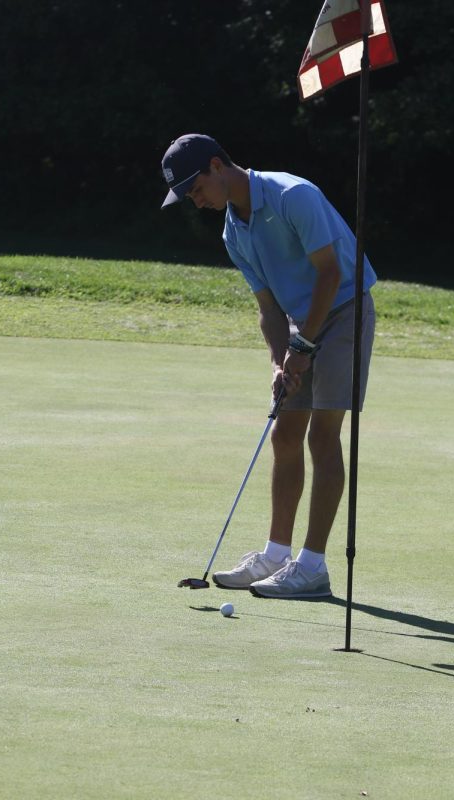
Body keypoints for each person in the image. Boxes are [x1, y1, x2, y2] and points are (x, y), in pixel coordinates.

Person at [160, 133, 376, 599]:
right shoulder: (232, 231)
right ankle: (276, 556)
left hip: (343, 311)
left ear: (218, 166)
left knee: (323, 434)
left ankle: (312, 567)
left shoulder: (292, 195)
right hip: (300, 323)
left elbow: (331, 273)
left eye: (196, 189)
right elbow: (268, 309)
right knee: (283, 432)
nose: (196, 202)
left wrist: (304, 345)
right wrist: (281, 362)